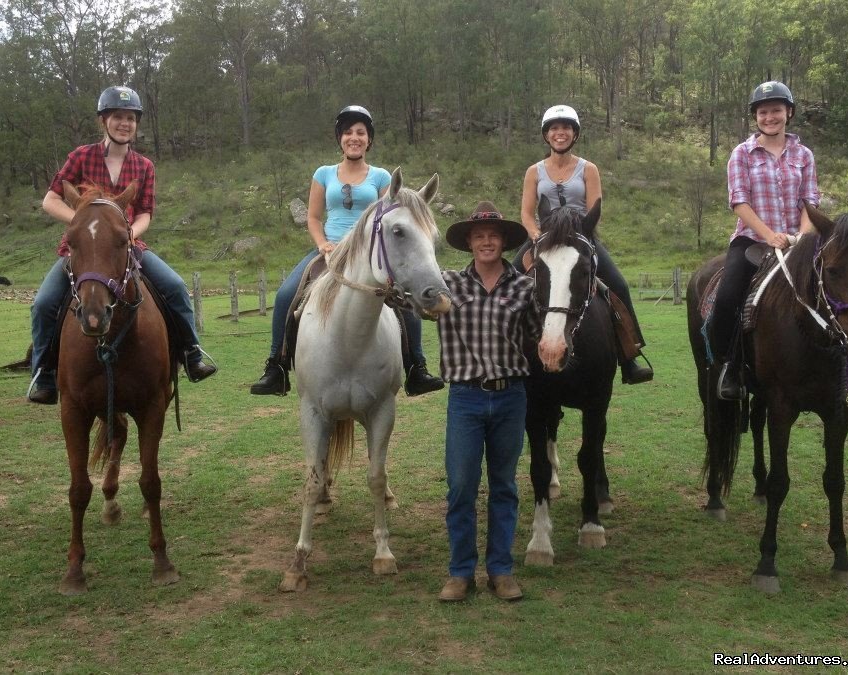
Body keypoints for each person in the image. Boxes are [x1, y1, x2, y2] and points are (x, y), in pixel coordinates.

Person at [28, 86, 216, 404]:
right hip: (82, 250)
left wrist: (130, 234)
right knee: (44, 303)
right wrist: (80, 222)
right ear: (104, 120)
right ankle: (44, 372)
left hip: (127, 246)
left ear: (136, 124)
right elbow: (50, 200)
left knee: (175, 286)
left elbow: (144, 213)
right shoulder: (81, 156)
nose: (124, 123)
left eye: (130, 118)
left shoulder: (144, 166)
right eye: (117, 117)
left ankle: (191, 353)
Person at [249, 105, 442, 397]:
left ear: (369, 140)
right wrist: (322, 244)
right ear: (340, 138)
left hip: (366, 252)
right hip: (329, 250)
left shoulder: (380, 177)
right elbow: (313, 218)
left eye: (361, 133)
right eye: (349, 132)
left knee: (404, 300)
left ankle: (416, 366)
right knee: (286, 294)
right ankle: (276, 366)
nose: (355, 137)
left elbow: (386, 217)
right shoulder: (323, 174)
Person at [436, 202, 540, 603]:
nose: (486, 241)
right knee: (461, 485)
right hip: (465, 397)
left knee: (504, 486)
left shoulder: (525, 287)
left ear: (503, 241)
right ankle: (461, 572)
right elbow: (415, 302)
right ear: (468, 242)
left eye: (493, 235)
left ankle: (501, 570)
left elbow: (538, 332)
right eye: (479, 236)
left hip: (511, 395)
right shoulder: (447, 284)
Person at [518, 104, 653, 385]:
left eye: (566, 128)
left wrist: (583, 233)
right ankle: (504, 352)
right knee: (507, 280)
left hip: (580, 239)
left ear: (575, 134)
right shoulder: (534, 171)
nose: (560, 133)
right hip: (543, 240)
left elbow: (594, 208)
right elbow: (526, 214)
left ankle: (629, 356)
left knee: (619, 285)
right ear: (546, 135)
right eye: (554, 128)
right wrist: (535, 236)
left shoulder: (588, 169)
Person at [713, 81, 820, 400]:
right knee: (728, 297)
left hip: (799, 241)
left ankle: (846, 356)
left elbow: (810, 199)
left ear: (789, 112)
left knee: (839, 283)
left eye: (776, 110)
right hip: (752, 241)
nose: (770, 117)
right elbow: (739, 201)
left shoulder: (804, 154)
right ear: (755, 116)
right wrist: (769, 234)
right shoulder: (742, 153)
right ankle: (730, 367)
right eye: (763, 111)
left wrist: (801, 236)